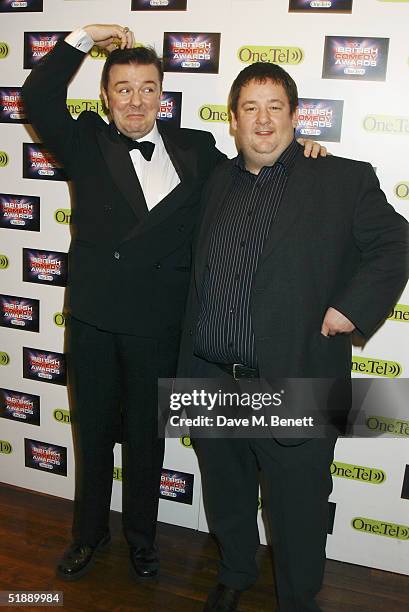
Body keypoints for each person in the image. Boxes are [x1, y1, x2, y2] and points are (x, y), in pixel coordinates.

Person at [22, 24, 325, 584]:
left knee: (147, 443)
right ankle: (87, 536)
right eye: (123, 89)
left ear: (162, 95)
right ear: (106, 97)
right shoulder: (85, 140)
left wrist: (300, 153)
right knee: (92, 439)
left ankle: (142, 539)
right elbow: (37, 97)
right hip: (95, 324)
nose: (135, 100)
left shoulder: (198, 150)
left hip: (162, 328)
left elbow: (258, 166)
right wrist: (84, 37)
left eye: (147, 88)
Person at [177, 61, 408, 611]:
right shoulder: (215, 180)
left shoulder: (341, 177)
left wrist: (351, 309)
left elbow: (398, 243)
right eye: (250, 109)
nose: (262, 121)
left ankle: (298, 600)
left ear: (296, 117)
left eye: (274, 107)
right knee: (227, 496)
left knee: (299, 512)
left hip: (297, 377)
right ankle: (235, 572)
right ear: (233, 121)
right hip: (212, 376)